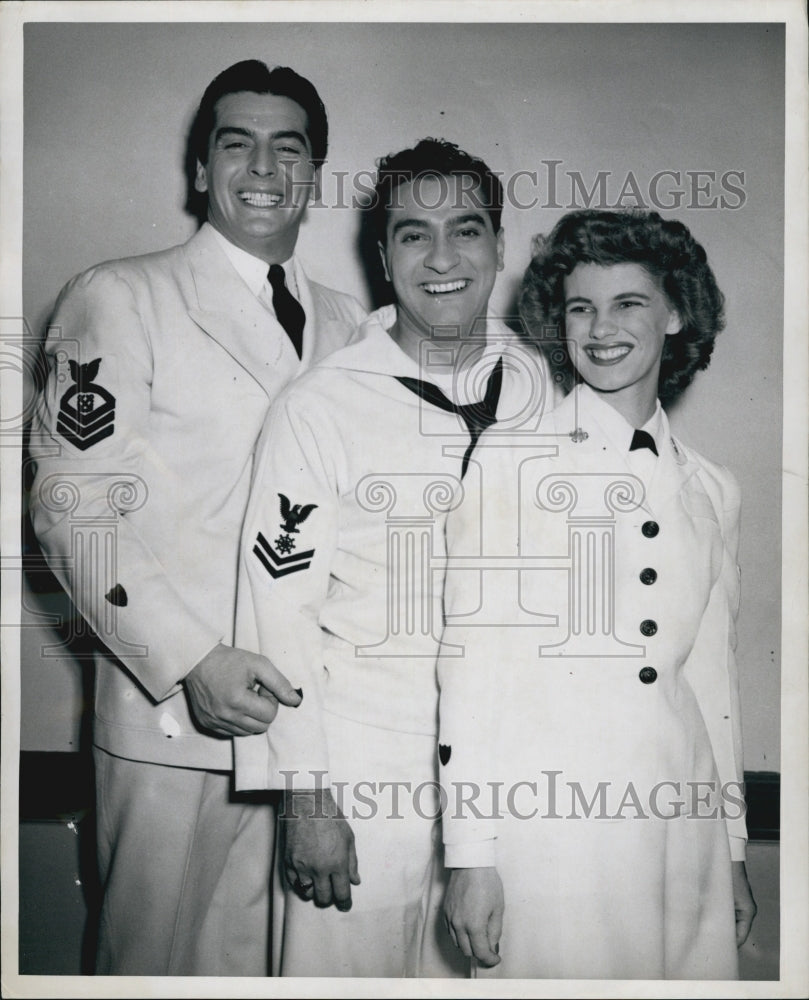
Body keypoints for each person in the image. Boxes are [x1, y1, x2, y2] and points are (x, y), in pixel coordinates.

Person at [28, 59, 366, 976]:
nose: (262, 166)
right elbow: (72, 506)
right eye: (236, 142)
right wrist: (187, 663)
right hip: (177, 723)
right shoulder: (121, 295)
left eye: (286, 146)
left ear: (315, 176)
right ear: (199, 170)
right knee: (156, 967)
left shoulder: (354, 327)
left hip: (317, 734)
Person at [232, 138, 557, 976]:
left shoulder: (538, 387)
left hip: (507, 765)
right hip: (364, 762)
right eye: (414, 234)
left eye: (466, 229)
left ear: (497, 245)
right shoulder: (319, 407)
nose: (443, 257)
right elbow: (277, 613)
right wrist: (305, 794)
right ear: (382, 256)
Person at [437, 208, 757, 979]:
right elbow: (471, 667)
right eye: (580, 307)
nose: (600, 328)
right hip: (553, 835)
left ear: (675, 312)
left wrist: (733, 845)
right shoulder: (511, 464)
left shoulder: (711, 488)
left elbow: (711, 682)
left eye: (627, 304)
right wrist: (470, 855)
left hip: (682, 833)